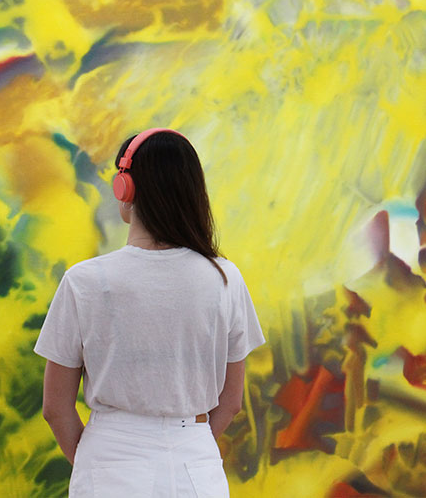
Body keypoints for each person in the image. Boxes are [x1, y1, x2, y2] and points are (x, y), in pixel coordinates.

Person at [35, 129, 265, 497]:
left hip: (110, 463)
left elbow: (55, 408)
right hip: (197, 468)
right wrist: (185, 443)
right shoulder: (226, 278)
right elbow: (231, 402)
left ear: (124, 188)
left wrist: (98, 464)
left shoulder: (84, 281)